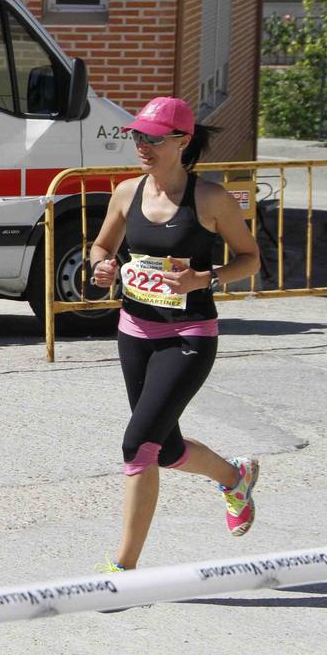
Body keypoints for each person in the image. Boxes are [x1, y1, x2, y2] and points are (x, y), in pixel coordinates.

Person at [86, 96, 261, 572]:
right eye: (138, 137)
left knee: (138, 444)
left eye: (154, 139)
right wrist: (102, 267)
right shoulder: (127, 192)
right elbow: (101, 246)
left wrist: (205, 278)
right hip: (134, 331)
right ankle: (235, 477)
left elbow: (250, 259)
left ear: (182, 141)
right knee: (166, 449)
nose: (142, 146)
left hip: (188, 336)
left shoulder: (211, 199)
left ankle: (123, 570)